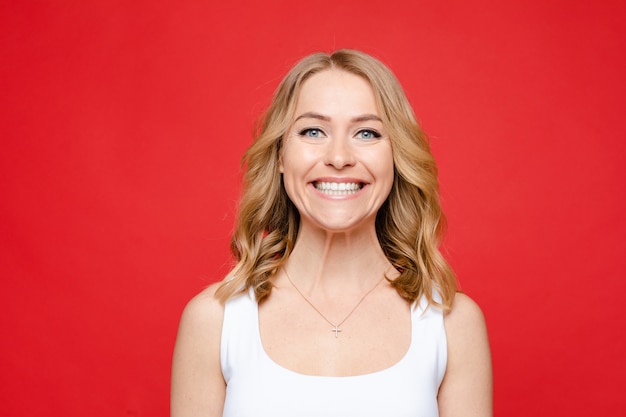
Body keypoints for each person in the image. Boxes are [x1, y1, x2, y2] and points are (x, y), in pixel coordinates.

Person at [170, 49, 492, 417]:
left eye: (367, 133)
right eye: (313, 131)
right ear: (279, 155)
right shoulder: (214, 322)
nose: (339, 157)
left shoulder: (453, 324)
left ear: (396, 157)